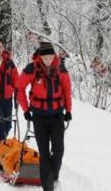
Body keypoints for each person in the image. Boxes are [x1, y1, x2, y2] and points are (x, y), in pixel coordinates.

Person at [17, 42, 72, 191]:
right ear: (40, 57)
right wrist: (26, 109)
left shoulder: (60, 68)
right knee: (44, 153)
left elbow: (67, 90)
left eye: (50, 57)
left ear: (54, 56)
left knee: (59, 150)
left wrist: (68, 110)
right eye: (45, 58)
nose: (48, 60)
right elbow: (19, 88)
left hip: (57, 116)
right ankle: (47, 187)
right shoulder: (32, 68)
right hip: (39, 116)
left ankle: (53, 178)